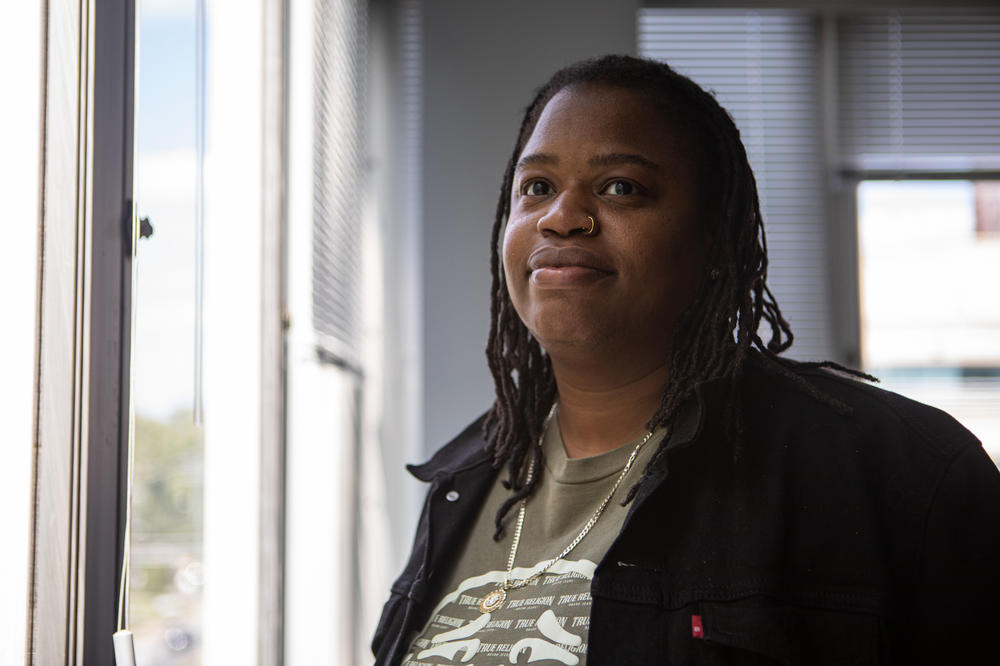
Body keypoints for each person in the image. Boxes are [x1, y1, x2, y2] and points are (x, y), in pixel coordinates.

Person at [372, 55, 1000, 665]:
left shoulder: (900, 470)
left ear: (714, 238)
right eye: (536, 187)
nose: (561, 217)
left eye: (622, 187)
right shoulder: (461, 481)